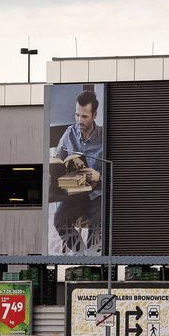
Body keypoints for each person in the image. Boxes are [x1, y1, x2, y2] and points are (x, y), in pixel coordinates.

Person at [51, 90, 105, 253]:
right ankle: (82, 256)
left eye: (84, 117)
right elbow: (57, 159)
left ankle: (94, 259)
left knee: (98, 223)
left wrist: (100, 176)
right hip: (74, 194)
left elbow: (119, 170)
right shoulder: (69, 133)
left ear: (94, 115)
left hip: (97, 194)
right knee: (59, 219)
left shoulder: (105, 136)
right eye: (77, 115)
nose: (79, 121)